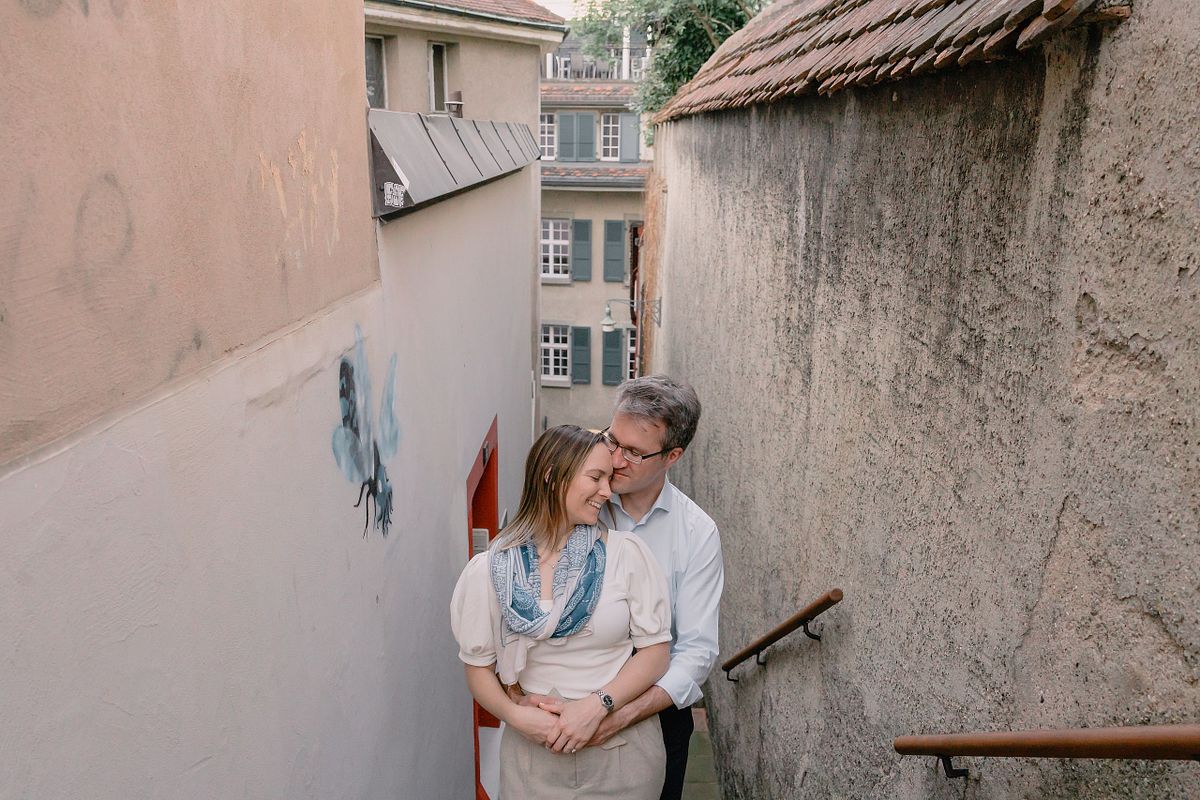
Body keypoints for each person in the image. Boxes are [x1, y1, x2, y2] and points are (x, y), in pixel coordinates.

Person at [451, 425, 674, 799]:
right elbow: (477, 667)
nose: (607, 491)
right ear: (554, 477)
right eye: (596, 477)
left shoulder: (626, 554)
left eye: (609, 478)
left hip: (622, 753)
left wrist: (597, 705)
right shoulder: (492, 570)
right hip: (533, 756)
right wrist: (517, 716)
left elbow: (656, 653)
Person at [595, 376, 724, 800]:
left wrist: (622, 713)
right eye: (612, 439)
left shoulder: (697, 532)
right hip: (571, 689)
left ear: (673, 456)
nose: (615, 458)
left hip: (654, 712)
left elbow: (696, 652)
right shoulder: (579, 499)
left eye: (633, 452)